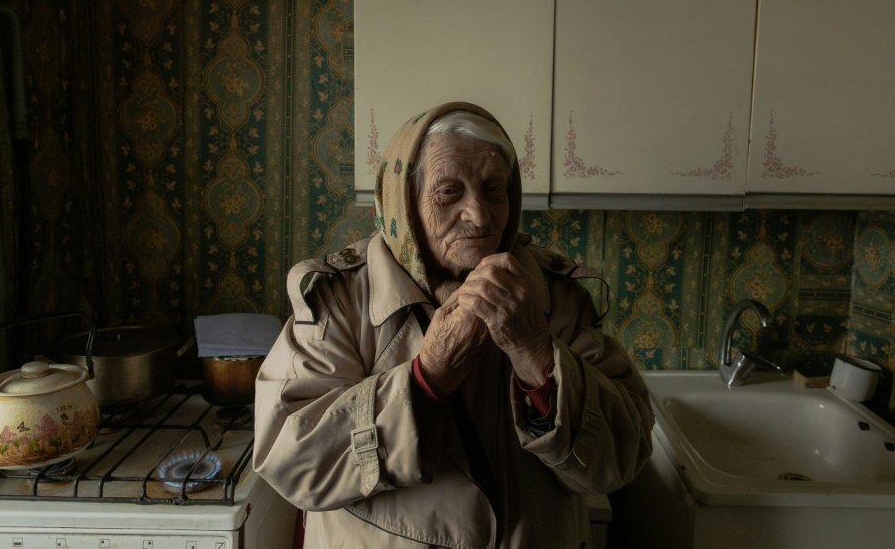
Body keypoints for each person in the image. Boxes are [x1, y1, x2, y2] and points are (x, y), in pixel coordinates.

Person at [254, 101, 654, 548]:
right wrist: (427, 378)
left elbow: (625, 455)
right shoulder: (339, 299)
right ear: (405, 202)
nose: (479, 216)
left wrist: (536, 355)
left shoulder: (556, 295)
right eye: (449, 192)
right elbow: (293, 462)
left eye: (494, 189)